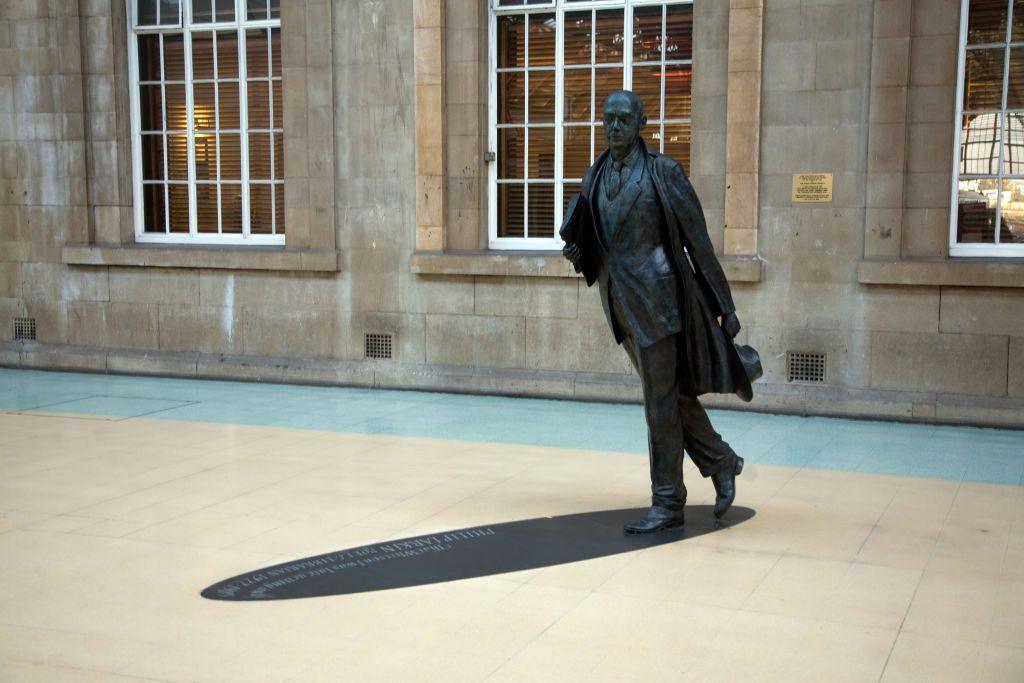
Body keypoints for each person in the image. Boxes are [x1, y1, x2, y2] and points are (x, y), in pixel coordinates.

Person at [560, 90, 757, 534]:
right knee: (667, 396)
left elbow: (698, 243)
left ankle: (668, 502)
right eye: (607, 119)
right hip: (622, 307)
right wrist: (579, 252)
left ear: (642, 123)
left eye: (623, 120)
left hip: (662, 303)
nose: (613, 127)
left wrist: (725, 308)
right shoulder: (595, 176)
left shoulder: (662, 173)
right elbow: (599, 245)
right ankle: (721, 461)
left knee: (659, 403)